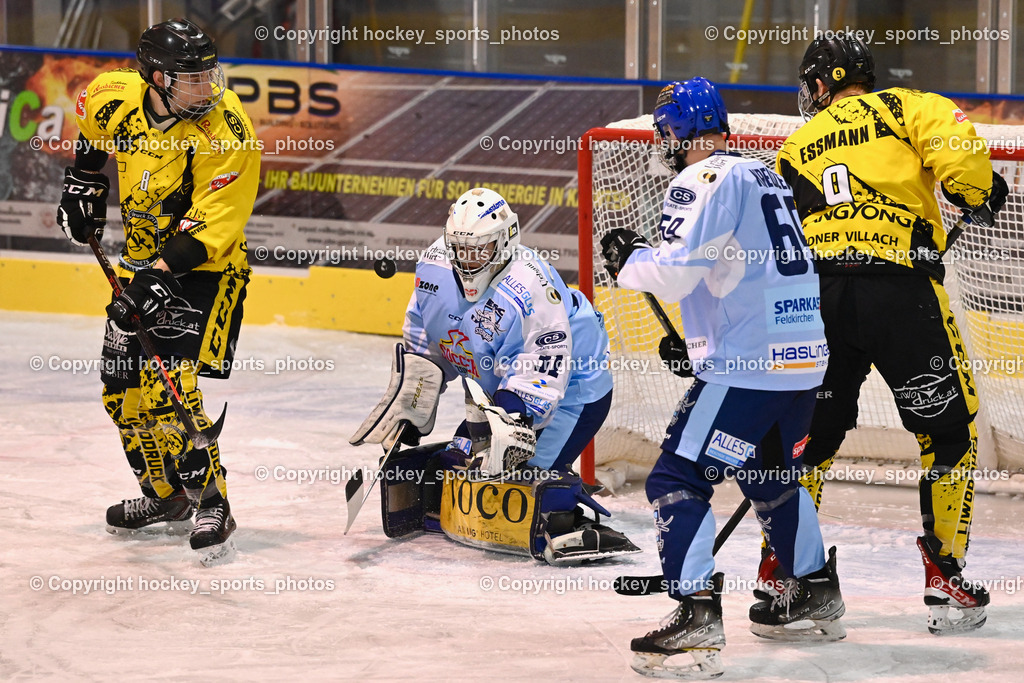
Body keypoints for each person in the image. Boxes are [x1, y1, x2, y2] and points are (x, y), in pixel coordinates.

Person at [601, 77, 844, 679]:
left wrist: (628, 259)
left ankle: (696, 612)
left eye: (664, 134)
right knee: (769, 473)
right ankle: (813, 588)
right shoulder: (763, 172)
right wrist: (702, 345)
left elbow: (678, 272)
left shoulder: (702, 178)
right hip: (801, 356)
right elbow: (740, 270)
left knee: (675, 477)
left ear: (677, 132)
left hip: (751, 363)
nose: (662, 145)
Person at [774, 33, 1006, 634]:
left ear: (826, 79)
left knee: (807, 442)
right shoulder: (909, 105)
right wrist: (977, 192)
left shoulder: (797, 144)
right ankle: (946, 577)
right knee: (949, 433)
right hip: (900, 295)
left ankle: (785, 576)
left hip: (821, 298)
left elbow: (782, 229)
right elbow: (962, 160)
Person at [56, 18, 260, 564]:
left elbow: (213, 226)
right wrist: (84, 185)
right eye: (190, 79)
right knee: (119, 392)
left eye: (208, 76)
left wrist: (153, 277)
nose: (206, 88)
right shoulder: (109, 97)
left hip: (204, 272)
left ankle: (212, 499)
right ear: (154, 79)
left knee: (169, 389)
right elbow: (92, 145)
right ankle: (166, 498)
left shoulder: (228, 131)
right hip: (139, 265)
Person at [393, 186, 638, 563]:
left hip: (573, 390)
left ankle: (564, 510)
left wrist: (505, 423)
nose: (468, 260)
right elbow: (425, 338)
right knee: (458, 463)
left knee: (517, 478)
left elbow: (542, 371)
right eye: (461, 249)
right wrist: (414, 402)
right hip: (498, 388)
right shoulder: (434, 268)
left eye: (480, 250)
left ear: (506, 240)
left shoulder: (532, 284)